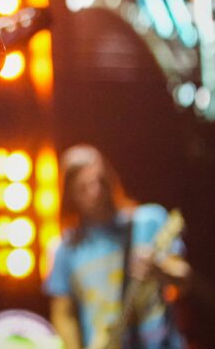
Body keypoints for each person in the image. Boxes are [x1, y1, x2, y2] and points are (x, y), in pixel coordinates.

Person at [43, 145, 190, 349]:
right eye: (83, 188)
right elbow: (63, 315)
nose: (95, 192)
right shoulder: (66, 249)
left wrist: (158, 269)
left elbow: (184, 279)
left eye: (98, 182)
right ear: (70, 194)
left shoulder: (148, 221)